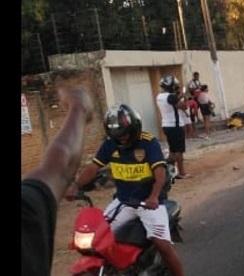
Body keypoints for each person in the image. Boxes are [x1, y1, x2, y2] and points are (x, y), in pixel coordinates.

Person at [67, 104, 184, 276]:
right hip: (123, 202)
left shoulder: (147, 142)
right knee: (99, 238)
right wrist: (76, 185)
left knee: (162, 245)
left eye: (125, 134)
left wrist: (153, 197)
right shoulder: (109, 144)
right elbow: (93, 167)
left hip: (150, 203)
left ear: (134, 128)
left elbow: (159, 173)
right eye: (117, 136)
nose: (122, 139)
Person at [22, 86, 94, 276]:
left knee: (160, 241)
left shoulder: (148, 143)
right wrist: (78, 108)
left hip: (143, 203)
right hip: (125, 203)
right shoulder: (27, 208)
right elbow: (60, 166)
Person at [156, 74, 191, 179]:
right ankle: (182, 173)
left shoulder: (159, 96)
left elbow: (172, 100)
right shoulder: (171, 97)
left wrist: (179, 96)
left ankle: (170, 171)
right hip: (175, 126)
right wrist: (184, 97)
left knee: (172, 150)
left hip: (166, 125)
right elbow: (183, 107)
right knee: (179, 151)